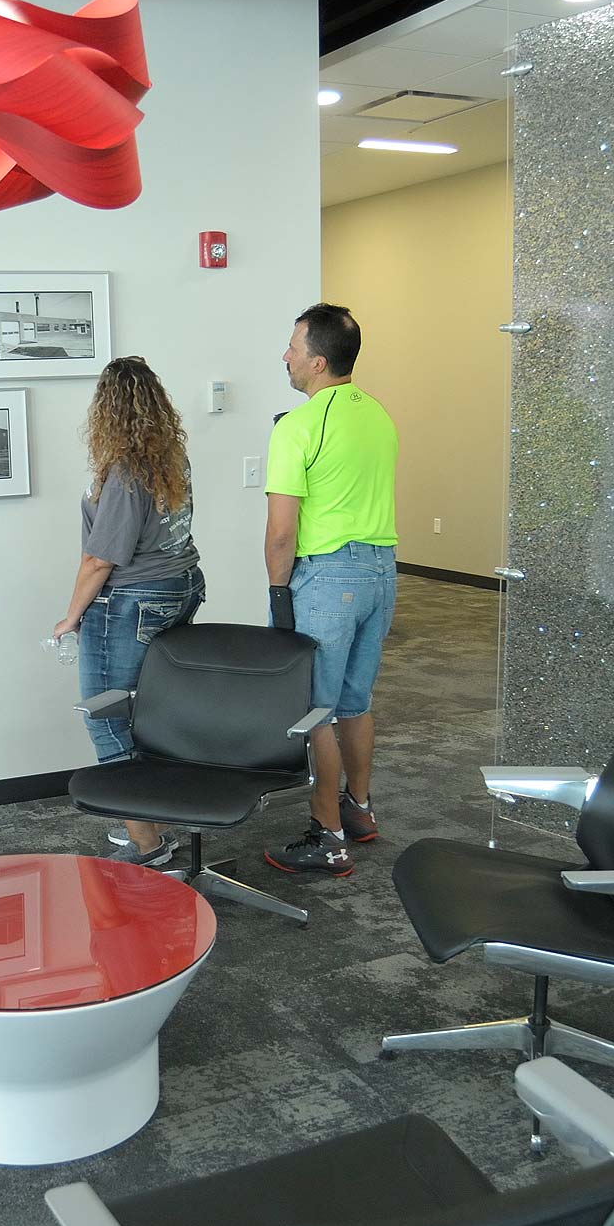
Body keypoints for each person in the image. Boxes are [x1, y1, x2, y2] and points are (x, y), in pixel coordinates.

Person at [50, 357, 205, 864]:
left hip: (131, 601)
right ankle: (152, 817)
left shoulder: (126, 471)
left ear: (107, 409)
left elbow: (100, 558)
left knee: (107, 715)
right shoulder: (171, 456)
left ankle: (147, 844)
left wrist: (71, 616)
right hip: (178, 587)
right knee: (148, 713)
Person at [261, 303, 398, 877]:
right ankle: (359, 810)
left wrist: (279, 596)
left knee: (315, 710)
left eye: (293, 348)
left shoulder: (297, 427)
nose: (285, 356)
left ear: (317, 362)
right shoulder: (378, 415)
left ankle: (328, 837)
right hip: (381, 570)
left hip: (328, 577)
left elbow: (281, 532)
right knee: (354, 702)